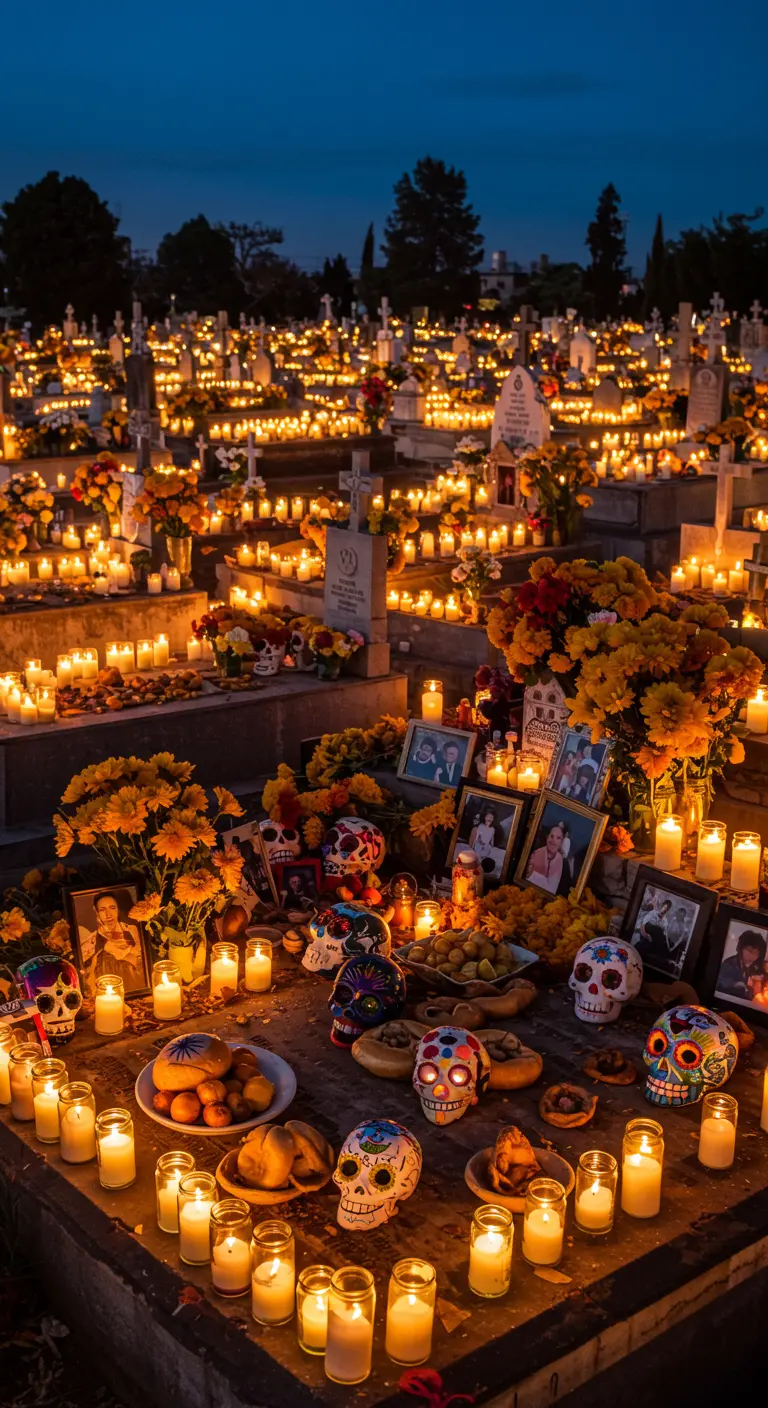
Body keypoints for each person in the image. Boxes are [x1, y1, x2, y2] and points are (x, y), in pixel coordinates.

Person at [81, 891, 145, 996]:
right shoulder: (92, 940)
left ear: (118, 909)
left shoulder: (131, 931)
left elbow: (142, 959)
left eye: (112, 908)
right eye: (102, 910)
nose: (108, 914)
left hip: (132, 989)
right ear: (97, 913)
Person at [717, 929, 767, 1000]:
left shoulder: (750, 966)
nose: (753, 956)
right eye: (750, 951)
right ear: (740, 948)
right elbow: (722, 984)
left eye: (756, 953)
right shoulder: (729, 965)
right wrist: (736, 985)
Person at [526, 819, 570, 895]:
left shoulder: (564, 866)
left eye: (558, 838)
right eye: (551, 836)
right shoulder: (535, 852)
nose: (554, 840)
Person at [633, 896, 672, 969]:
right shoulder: (653, 913)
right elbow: (643, 926)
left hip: (655, 939)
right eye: (664, 907)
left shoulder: (665, 921)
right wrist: (647, 936)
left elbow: (664, 935)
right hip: (645, 934)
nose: (664, 910)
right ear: (662, 906)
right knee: (654, 929)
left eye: (666, 909)